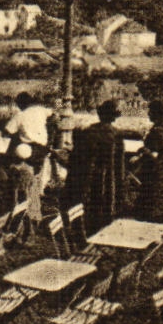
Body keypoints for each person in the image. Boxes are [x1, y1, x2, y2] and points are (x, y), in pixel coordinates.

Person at [67, 99, 126, 230]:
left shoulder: (89, 132)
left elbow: (79, 155)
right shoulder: (116, 134)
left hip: (91, 172)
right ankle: (105, 223)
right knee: (107, 198)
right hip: (110, 174)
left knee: (92, 198)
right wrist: (120, 178)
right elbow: (119, 161)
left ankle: (89, 224)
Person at [3, 90, 53, 221]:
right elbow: (53, 114)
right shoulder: (40, 110)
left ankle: (24, 211)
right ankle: (34, 212)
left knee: (23, 178)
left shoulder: (20, 115)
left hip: (28, 151)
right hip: (42, 150)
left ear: (20, 104)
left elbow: (7, 131)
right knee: (35, 179)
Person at [137, 99, 163, 221]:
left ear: (157, 114)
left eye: (151, 112)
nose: (148, 114)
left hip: (158, 167)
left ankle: (153, 218)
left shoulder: (159, 131)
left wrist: (144, 151)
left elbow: (158, 151)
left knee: (154, 193)